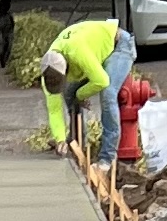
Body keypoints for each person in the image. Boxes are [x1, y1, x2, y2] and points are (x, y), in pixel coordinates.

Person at [39, 11, 135, 162]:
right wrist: (59, 139)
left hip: (119, 44)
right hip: (94, 52)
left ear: (67, 69)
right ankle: (76, 144)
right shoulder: (48, 69)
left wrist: (81, 95)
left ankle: (107, 158)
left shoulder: (77, 53)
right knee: (69, 94)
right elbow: (54, 110)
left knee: (108, 93)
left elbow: (102, 81)